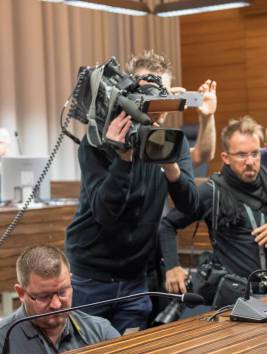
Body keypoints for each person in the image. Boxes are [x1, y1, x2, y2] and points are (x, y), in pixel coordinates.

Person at [65, 57, 199, 335]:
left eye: (164, 92)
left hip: (136, 277)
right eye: (148, 91)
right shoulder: (98, 143)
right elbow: (104, 213)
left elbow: (190, 205)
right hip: (91, 275)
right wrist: (123, 158)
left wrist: (168, 160)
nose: (157, 101)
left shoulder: (173, 140)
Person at [159, 116, 267, 295]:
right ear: (226, 158)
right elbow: (167, 225)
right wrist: (172, 266)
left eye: (254, 153)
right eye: (241, 154)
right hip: (232, 297)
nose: (250, 161)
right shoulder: (211, 191)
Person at [0, 245, 119, 354]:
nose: (56, 305)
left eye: (62, 292)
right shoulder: (2, 341)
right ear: (21, 293)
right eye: (44, 296)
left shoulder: (100, 332)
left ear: (71, 282)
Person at [125, 50, 217, 168]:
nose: (159, 103)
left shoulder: (162, 140)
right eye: (150, 93)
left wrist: (207, 117)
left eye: (164, 94)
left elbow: (201, 156)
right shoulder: (115, 138)